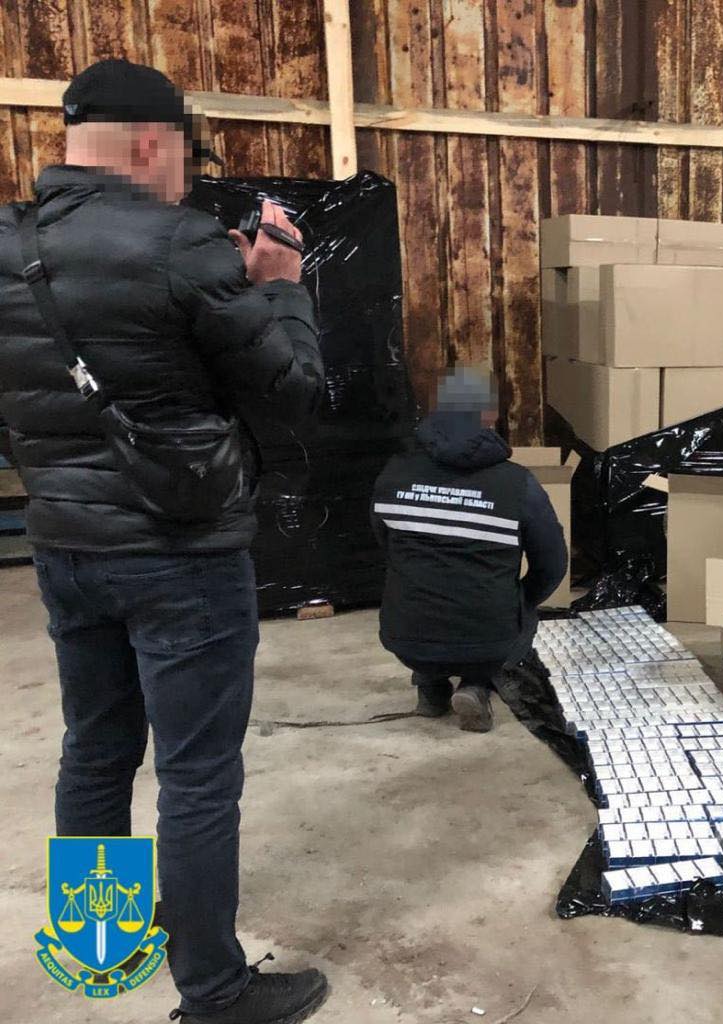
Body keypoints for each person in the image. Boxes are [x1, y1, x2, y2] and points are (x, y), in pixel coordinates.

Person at [0, 60, 329, 1023]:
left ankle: (98, 948)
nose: (187, 179)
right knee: (196, 774)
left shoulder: (10, 243)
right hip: (181, 554)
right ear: (153, 143)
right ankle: (215, 991)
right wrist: (279, 285)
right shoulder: (181, 243)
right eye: (187, 157)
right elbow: (294, 392)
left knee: (96, 749)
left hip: (65, 546)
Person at [371, 367, 569, 732]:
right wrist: (520, 600)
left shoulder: (393, 474)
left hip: (405, 637)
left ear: (435, 409)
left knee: (424, 586)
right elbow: (553, 564)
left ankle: (430, 688)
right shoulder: (517, 484)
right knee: (515, 617)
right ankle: (476, 685)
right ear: (490, 415)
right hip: (489, 639)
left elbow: (386, 545)